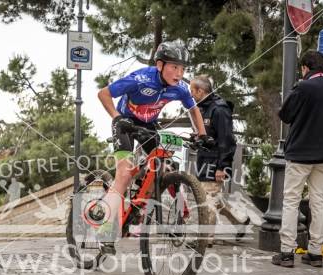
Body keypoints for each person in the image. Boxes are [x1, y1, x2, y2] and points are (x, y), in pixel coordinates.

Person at [96, 40, 210, 254]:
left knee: (167, 165)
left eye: (183, 68)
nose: (179, 73)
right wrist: (117, 117)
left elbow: (194, 110)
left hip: (148, 125)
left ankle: (168, 214)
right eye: (174, 67)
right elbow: (103, 93)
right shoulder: (141, 79)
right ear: (160, 65)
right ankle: (104, 232)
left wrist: (202, 135)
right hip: (125, 123)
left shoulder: (180, 89)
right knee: (124, 173)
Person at [272, 50, 323, 268]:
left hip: (300, 152)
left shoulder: (303, 87)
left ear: (305, 67)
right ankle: (315, 252)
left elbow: (285, 115)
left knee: (292, 200)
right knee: (318, 200)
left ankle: (286, 251)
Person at [189, 75, 249, 247]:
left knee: (207, 201)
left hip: (215, 162)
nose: (191, 95)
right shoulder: (202, 109)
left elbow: (227, 140)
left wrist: (223, 166)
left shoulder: (219, 109)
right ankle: (240, 220)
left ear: (200, 91)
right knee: (214, 199)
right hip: (203, 160)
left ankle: (205, 239)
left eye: (192, 91)